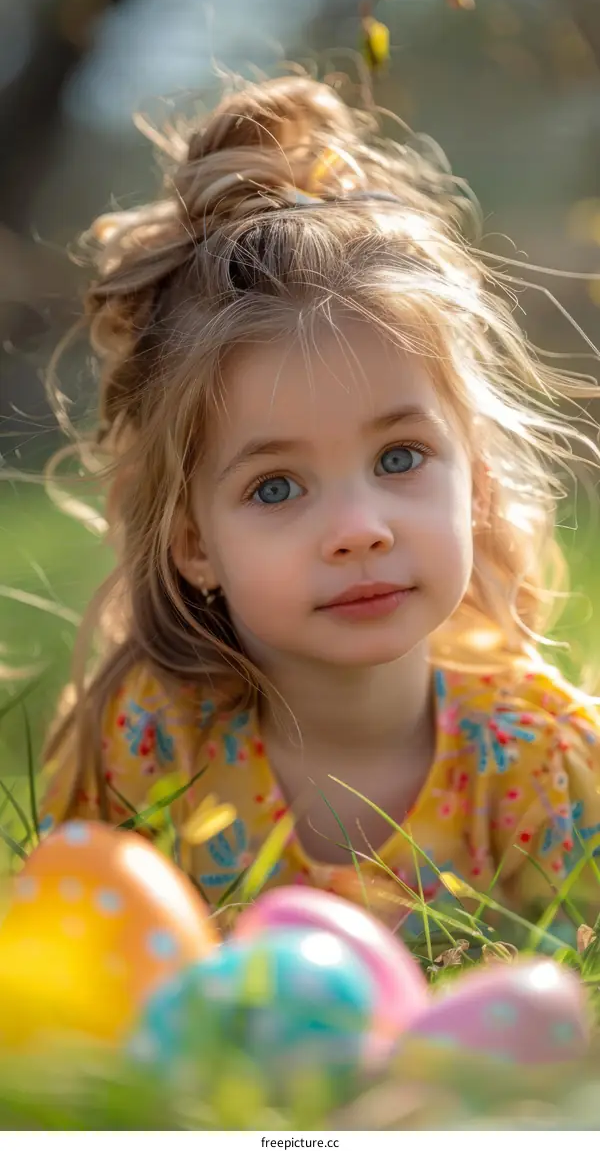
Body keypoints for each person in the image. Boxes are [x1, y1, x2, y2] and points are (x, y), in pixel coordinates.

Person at [41, 73, 600, 934]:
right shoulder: (155, 748)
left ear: (478, 484)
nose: (359, 531)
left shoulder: (537, 762)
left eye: (400, 457)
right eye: (275, 487)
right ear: (193, 542)